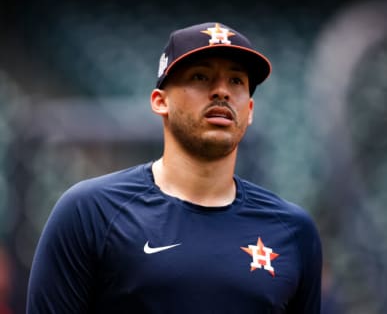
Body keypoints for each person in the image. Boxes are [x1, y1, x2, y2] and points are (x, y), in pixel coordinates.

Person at [26, 22, 323, 313]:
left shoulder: (293, 231)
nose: (222, 91)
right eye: (200, 77)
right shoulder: (91, 212)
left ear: (250, 111)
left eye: (236, 81)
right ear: (160, 101)